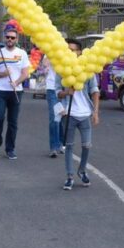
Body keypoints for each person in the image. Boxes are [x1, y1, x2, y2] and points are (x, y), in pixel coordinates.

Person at [56, 39, 100, 190]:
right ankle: (69, 176)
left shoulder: (88, 70)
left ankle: (81, 170)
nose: (70, 52)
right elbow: (57, 92)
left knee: (87, 145)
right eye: (67, 49)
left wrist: (95, 112)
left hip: (84, 114)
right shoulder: (61, 70)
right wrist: (66, 92)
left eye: (73, 50)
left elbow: (95, 91)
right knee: (69, 146)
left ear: (80, 52)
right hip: (68, 115)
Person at [0, 30, 30, 160]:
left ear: (16, 39)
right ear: (4, 38)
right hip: (0, 91)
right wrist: (2, 74)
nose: (10, 39)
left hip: (16, 91)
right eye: (8, 37)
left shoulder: (22, 54)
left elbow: (25, 73)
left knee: (13, 122)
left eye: (13, 37)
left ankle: (10, 148)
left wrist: (16, 82)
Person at [44, 56, 61, 158]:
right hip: (52, 88)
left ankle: (60, 143)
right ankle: (54, 147)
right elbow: (45, 63)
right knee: (54, 117)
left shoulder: (68, 50)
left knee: (62, 116)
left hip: (66, 87)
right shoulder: (51, 50)